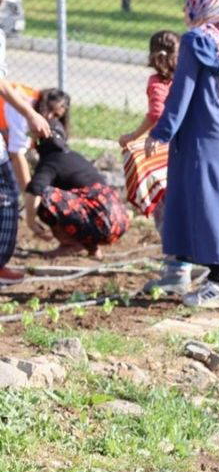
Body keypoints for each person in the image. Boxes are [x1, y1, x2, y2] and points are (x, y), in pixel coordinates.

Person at [145, 0, 219, 308]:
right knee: (194, 201)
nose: (185, 11)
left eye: (189, 4)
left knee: (207, 205)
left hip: (204, 137)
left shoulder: (196, 40)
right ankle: (178, 269)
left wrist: (161, 132)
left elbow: (181, 92)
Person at [118, 30, 189, 293]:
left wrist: (133, 136)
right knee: (186, 211)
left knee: (165, 212)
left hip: (162, 160)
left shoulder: (157, 83)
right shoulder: (186, 80)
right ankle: (194, 261)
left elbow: (157, 113)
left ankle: (176, 271)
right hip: (189, 152)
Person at [24, 118, 129, 259]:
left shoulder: (51, 161)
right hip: (118, 221)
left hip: (100, 219)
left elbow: (35, 189)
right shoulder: (75, 156)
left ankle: (71, 245)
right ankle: (92, 249)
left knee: (45, 197)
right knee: (74, 202)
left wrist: (31, 222)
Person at [0, 80, 51, 285]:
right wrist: (30, 203)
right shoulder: (24, 107)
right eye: (52, 114)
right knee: (7, 196)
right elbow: (16, 155)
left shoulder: (29, 97)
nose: (52, 120)